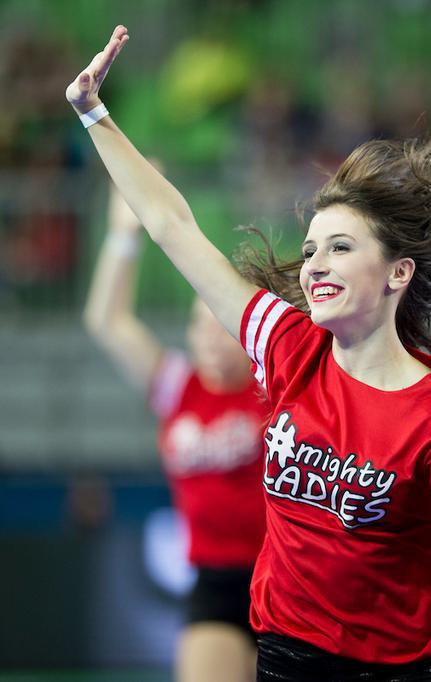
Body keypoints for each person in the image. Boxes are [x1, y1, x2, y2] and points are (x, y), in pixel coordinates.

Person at [68, 26, 431, 682]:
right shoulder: (291, 346)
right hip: (290, 658)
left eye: (341, 248)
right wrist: (94, 113)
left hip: (408, 669)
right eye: (312, 249)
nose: (315, 265)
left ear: (398, 273)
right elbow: (172, 226)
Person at [84, 181, 266, 682]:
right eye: (197, 327)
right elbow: (106, 321)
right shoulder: (178, 388)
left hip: (284, 576)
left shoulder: (273, 386)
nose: (208, 339)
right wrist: (124, 235)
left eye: (219, 327)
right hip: (215, 580)